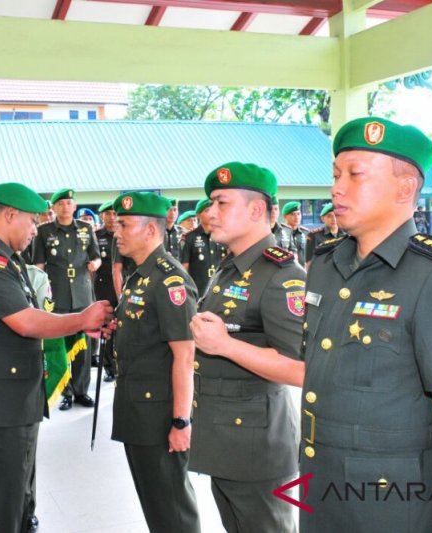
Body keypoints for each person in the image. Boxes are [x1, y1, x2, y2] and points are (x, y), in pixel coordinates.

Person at [192, 118, 432, 532]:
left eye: (355, 175)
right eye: (336, 174)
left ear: (405, 189)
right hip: (321, 491)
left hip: (392, 504)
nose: (337, 187)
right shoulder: (326, 268)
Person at [0, 182, 113, 532]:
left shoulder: (9, 260)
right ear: (10, 214)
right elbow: (24, 321)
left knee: (16, 506)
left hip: (10, 402)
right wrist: (82, 319)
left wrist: (78, 327)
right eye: (32, 221)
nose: (35, 230)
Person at [188, 162, 305, 533]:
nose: (210, 213)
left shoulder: (282, 276)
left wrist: (224, 345)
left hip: (258, 450)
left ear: (256, 210)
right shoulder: (230, 269)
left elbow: (300, 368)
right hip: (227, 441)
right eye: (210, 204)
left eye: (221, 203)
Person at [111, 191, 201, 532]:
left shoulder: (169, 279)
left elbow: (185, 354)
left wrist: (181, 421)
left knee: (171, 506)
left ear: (150, 231)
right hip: (137, 409)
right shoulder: (140, 275)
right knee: (155, 502)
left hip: (159, 415)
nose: (117, 231)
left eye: (124, 224)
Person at [33, 188, 102, 411]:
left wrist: (95, 265)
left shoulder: (86, 228)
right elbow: (39, 266)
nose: (65, 207)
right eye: (60, 203)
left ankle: (81, 390)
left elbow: (96, 256)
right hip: (57, 295)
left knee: (84, 347)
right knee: (59, 346)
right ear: (53, 207)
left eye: (69, 203)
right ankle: (66, 391)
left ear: (74, 206)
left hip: (82, 294)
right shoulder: (44, 231)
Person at [179, 199, 227, 296]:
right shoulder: (190, 238)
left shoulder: (223, 235)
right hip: (198, 290)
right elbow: (184, 269)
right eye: (206, 211)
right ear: (198, 215)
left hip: (220, 288)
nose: (211, 214)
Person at [94, 200, 118, 382]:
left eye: (114, 213)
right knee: (106, 328)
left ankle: (120, 364)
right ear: (102, 216)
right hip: (103, 288)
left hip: (122, 286)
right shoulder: (96, 236)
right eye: (107, 214)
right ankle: (109, 366)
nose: (112, 217)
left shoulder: (124, 235)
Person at [305, 202, 347, 269]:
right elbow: (309, 262)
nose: (334, 219)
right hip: (322, 273)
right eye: (329, 216)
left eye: (336, 215)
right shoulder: (314, 235)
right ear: (322, 218)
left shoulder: (347, 235)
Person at [281, 201, 307, 266]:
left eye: (298, 214)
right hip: (286, 272)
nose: (296, 217)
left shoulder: (306, 233)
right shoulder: (280, 233)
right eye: (293, 214)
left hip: (303, 272)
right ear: (285, 216)